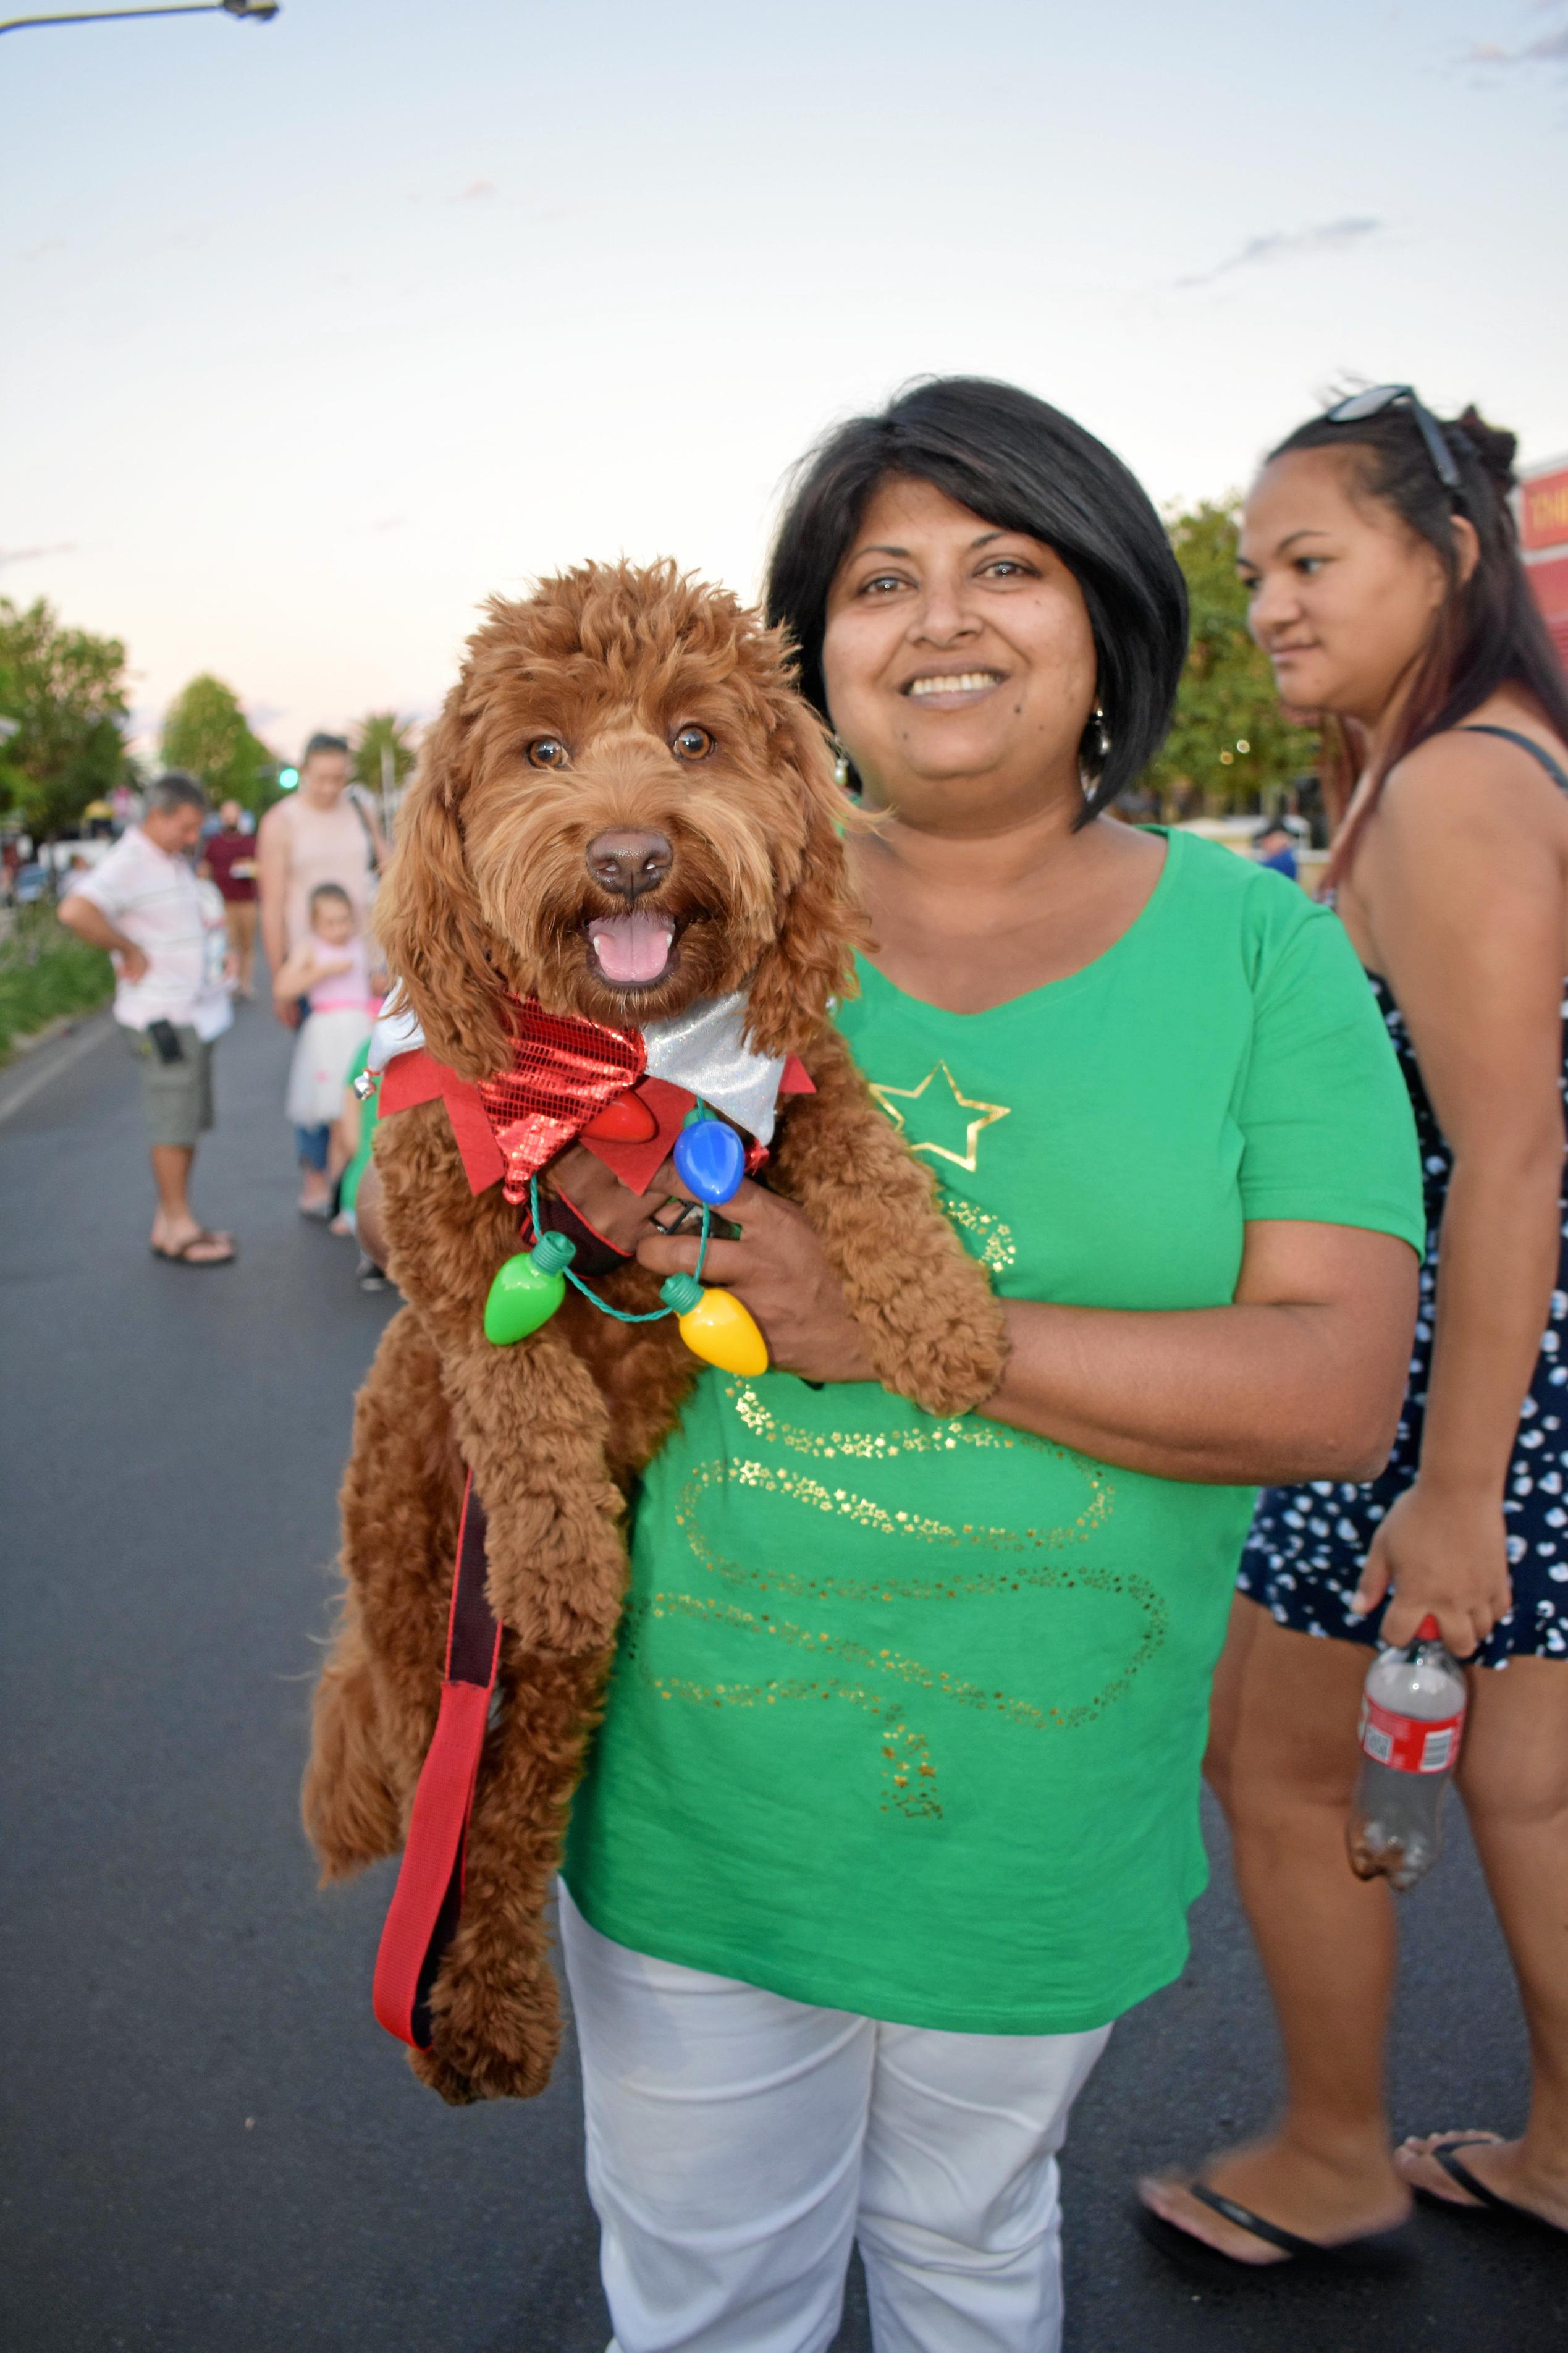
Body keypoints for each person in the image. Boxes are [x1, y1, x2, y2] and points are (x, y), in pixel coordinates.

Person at [532, 376, 1425, 2353]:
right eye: (881, 581)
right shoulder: (688, 911)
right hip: (701, 1794)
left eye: (1003, 566)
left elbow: (1334, 1385)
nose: (941, 620)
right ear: (810, 657)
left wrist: (900, 1328)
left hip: (1043, 1808)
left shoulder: (1265, 956)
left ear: (1104, 610)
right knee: (709, 2298)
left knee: (965, 2250)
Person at [1140, 388, 1568, 2270]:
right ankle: (1564, 2149)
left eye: (1314, 560)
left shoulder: (1464, 776)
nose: (1275, 609)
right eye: (1257, 574)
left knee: (1284, 1767)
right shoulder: (1474, 757)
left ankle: (1334, 2151)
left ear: (1449, 557)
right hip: (1516, 1369)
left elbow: (1513, 1151)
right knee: (1530, 1783)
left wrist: (1456, 1485)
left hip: (1441, 1392)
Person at [59, 771, 235, 1266]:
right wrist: (125, 947)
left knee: (185, 1120)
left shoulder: (167, 858)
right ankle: (179, 1226)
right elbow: (75, 910)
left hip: (190, 1013)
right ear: (156, 816)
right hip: (162, 1018)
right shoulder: (131, 860)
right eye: (185, 826)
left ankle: (171, 1220)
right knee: (172, 1122)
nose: (192, 837)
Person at [257, 732, 387, 1212]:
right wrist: (280, 981)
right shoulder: (282, 821)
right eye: (323, 778)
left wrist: (384, 958)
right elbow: (271, 904)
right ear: (305, 771)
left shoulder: (358, 811)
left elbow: (385, 872)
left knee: (362, 1074)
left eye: (340, 777)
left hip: (361, 957)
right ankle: (315, 1174)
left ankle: (353, 1168)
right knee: (319, 1076)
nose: (331, 787)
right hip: (311, 962)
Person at [272, 882, 380, 1220]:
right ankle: (339, 1199)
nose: (339, 930)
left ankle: (352, 1194)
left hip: (361, 1036)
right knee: (337, 1114)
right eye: (331, 923)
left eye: (345, 921)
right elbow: (283, 988)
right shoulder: (311, 949)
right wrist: (320, 971)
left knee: (362, 1105)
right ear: (315, 924)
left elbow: (372, 982)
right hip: (328, 1041)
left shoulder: (360, 946)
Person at [200, 799, 260, 997]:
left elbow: (260, 867)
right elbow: (204, 869)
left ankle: (246, 983)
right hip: (223, 903)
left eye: (233, 814)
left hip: (247, 901)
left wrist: (250, 868)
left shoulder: (249, 842)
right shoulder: (214, 844)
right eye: (226, 815)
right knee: (229, 944)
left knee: (247, 945)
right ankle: (231, 983)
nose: (230, 818)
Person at [1252, 816, 1299, 881]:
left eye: (1267, 841)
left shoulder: (1283, 860)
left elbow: (1255, 871)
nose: (1264, 845)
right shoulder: (1285, 858)